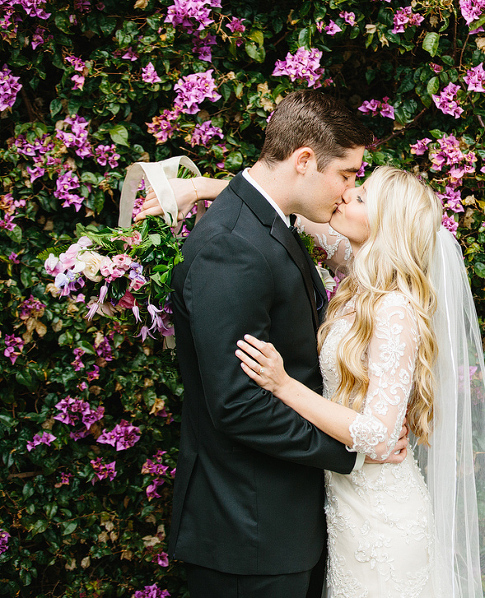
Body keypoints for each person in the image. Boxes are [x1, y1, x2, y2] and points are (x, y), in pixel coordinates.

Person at [151, 165, 485, 597]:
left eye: (363, 196)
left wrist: (284, 385)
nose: (346, 195)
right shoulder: (357, 267)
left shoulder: (394, 309)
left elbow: (380, 435)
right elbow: (281, 202)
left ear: (387, 225)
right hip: (341, 505)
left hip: (382, 514)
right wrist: (200, 189)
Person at [165, 89, 411, 598]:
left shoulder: (271, 224)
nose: (348, 192)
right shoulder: (232, 246)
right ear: (304, 161)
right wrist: (355, 450)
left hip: (283, 527)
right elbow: (238, 404)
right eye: (346, 174)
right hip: (250, 533)